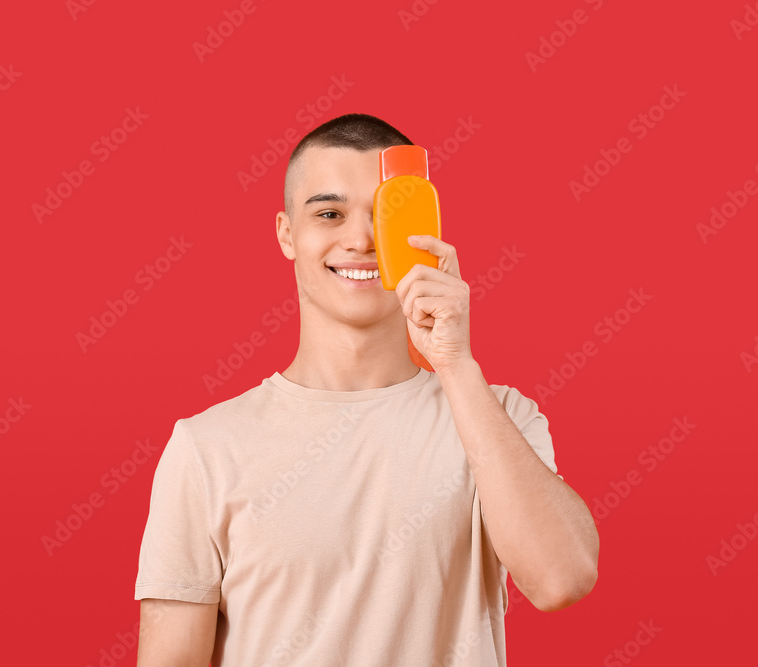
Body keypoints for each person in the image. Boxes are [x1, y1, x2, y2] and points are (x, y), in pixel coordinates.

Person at [133, 112, 599, 666]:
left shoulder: (496, 415)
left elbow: (561, 579)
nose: (361, 239)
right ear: (287, 233)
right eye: (329, 213)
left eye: (385, 215)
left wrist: (454, 363)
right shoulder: (205, 449)